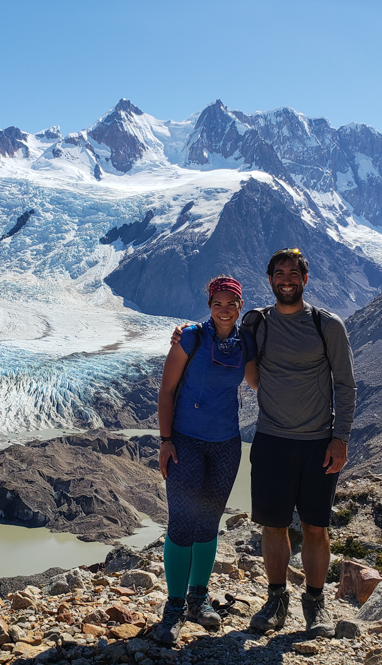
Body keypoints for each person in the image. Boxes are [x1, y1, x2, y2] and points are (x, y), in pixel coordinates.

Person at [171, 248, 355, 638]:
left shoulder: (328, 325)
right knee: (273, 526)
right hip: (271, 439)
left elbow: (345, 383)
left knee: (315, 528)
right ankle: (276, 600)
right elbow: (219, 331)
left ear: (305, 279)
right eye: (279, 273)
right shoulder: (258, 322)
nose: (286, 279)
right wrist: (184, 333)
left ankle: (315, 603)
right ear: (270, 280)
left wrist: (341, 437)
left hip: (318, 440)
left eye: (293, 273)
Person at [152, 275, 259, 645]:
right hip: (186, 442)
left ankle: (199, 598)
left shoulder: (245, 343)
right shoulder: (191, 339)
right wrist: (166, 440)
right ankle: (175, 607)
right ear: (209, 305)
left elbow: (260, 382)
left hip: (226, 444)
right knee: (181, 523)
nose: (225, 310)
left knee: (209, 523)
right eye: (218, 303)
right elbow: (166, 390)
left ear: (240, 306)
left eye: (231, 304)